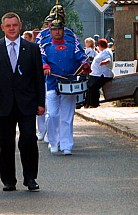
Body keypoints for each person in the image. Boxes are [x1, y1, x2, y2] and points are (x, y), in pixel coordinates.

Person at [0, 12, 45, 192]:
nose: (12, 28)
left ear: (20, 26)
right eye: (8, 25)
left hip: (27, 102)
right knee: (6, 142)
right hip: (3, 103)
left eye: (14, 25)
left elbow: (38, 78)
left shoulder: (32, 48)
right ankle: (8, 180)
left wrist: (41, 102)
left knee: (28, 139)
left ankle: (30, 177)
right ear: (2, 27)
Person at [42, 17, 90, 155]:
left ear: (63, 30)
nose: (57, 32)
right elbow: (41, 58)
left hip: (69, 84)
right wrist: (44, 66)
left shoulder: (71, 45)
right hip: (52, 84)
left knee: (67, 117)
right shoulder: (45, 47)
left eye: (59, 29)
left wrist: (85, 63)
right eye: (54, 29)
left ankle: (66, 145)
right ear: (50, 31)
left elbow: (81, 56)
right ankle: (53, 142)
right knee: (52, 115)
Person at [85, 38, 113, 108]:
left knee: (93, 86)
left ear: (100, 45)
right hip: (97, 74)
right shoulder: (105, 51)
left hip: (102, 74)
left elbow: (108, 59)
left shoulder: (106, 52)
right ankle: (89, 103)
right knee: (90, 85)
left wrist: (104, 62)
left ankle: (93, 103)